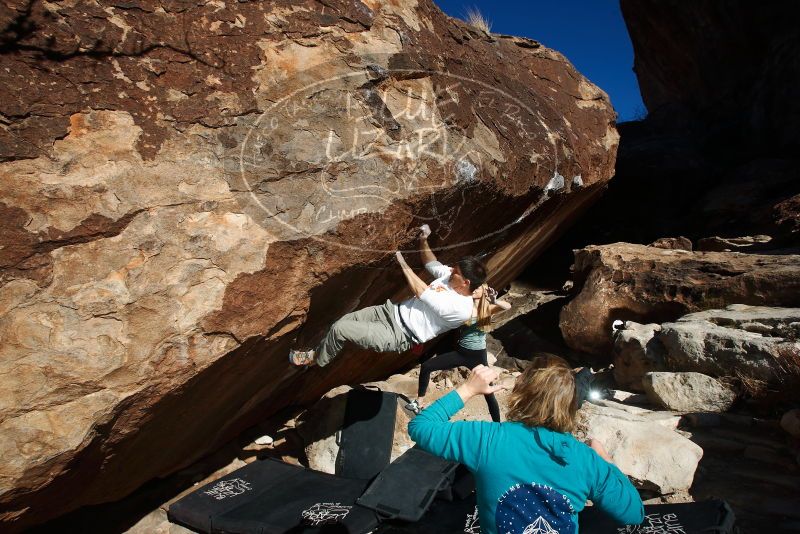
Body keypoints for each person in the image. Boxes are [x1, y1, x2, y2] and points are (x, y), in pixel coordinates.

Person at [408, 357, 644, 534]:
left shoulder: (486, 439)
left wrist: (468, 389)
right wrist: (607, 462)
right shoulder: (585, 459)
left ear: (522, 393)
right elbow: (634, 514)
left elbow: (421, 426)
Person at [289, 224, 488, 367]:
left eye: (456, 272)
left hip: (399, 335)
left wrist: (400, 260)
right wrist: (423, 240)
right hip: (389, 311)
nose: (451, 270)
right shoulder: (450, 276)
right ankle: (317, 354)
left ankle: (314, 359)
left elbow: (421, 291)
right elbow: (431, 263)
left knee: (341, 329)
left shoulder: (461, 309)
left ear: (466, 283)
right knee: (342, 322)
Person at [405, 284, 511, 421]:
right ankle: (419, 403)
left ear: (484, 292)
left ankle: (498, 426)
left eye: (478, 288)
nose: (474, 289)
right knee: (427, 366)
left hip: (477, 356)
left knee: (489, 393)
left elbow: (507, 306)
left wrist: (494, 301)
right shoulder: (464, 306)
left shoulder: (487, 309)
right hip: (460, 353)